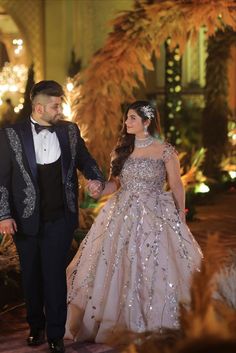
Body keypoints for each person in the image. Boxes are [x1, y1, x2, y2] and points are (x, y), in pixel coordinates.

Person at [65, 100, 203, 343]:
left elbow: (176, 185)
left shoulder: (165, 151)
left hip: (156, 216)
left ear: (147, 122)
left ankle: (155, 320)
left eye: (132, 118)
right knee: (117, 265)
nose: (126, 122)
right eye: (126, 118)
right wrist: (98, 189)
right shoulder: (121, 151)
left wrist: (180, 215)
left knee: (155, 265)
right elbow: (114, 185)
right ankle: (116, 322)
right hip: (121, 215)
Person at [0, 80, 105, 353]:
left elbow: (86, 159)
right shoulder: (11, 134)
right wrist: (4, 214)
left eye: (60, 105)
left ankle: (56, 333)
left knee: (55, 275)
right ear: (39, 107)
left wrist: (95, 178)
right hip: (24, 220)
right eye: (55, 106)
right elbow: (1, 179)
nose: (60, 110)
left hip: (61, 217)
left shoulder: (69, 131)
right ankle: (36, 328)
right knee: (31, 276)